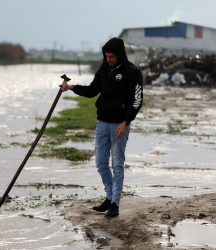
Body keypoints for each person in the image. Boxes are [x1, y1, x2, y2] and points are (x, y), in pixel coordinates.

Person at [60, 37, 143, 218]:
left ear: (120, 55)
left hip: (119, 125)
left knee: (118, 165)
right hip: (101, 123)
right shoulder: (104, 68)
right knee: (100, 164)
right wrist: (71, 87)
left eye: (112, 57)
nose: (108, 60)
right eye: (106, 56)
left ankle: (115, 204)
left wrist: (126, 122)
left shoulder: (132, 72)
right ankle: (109, 197)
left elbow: (137, 101)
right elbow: (92, 90)